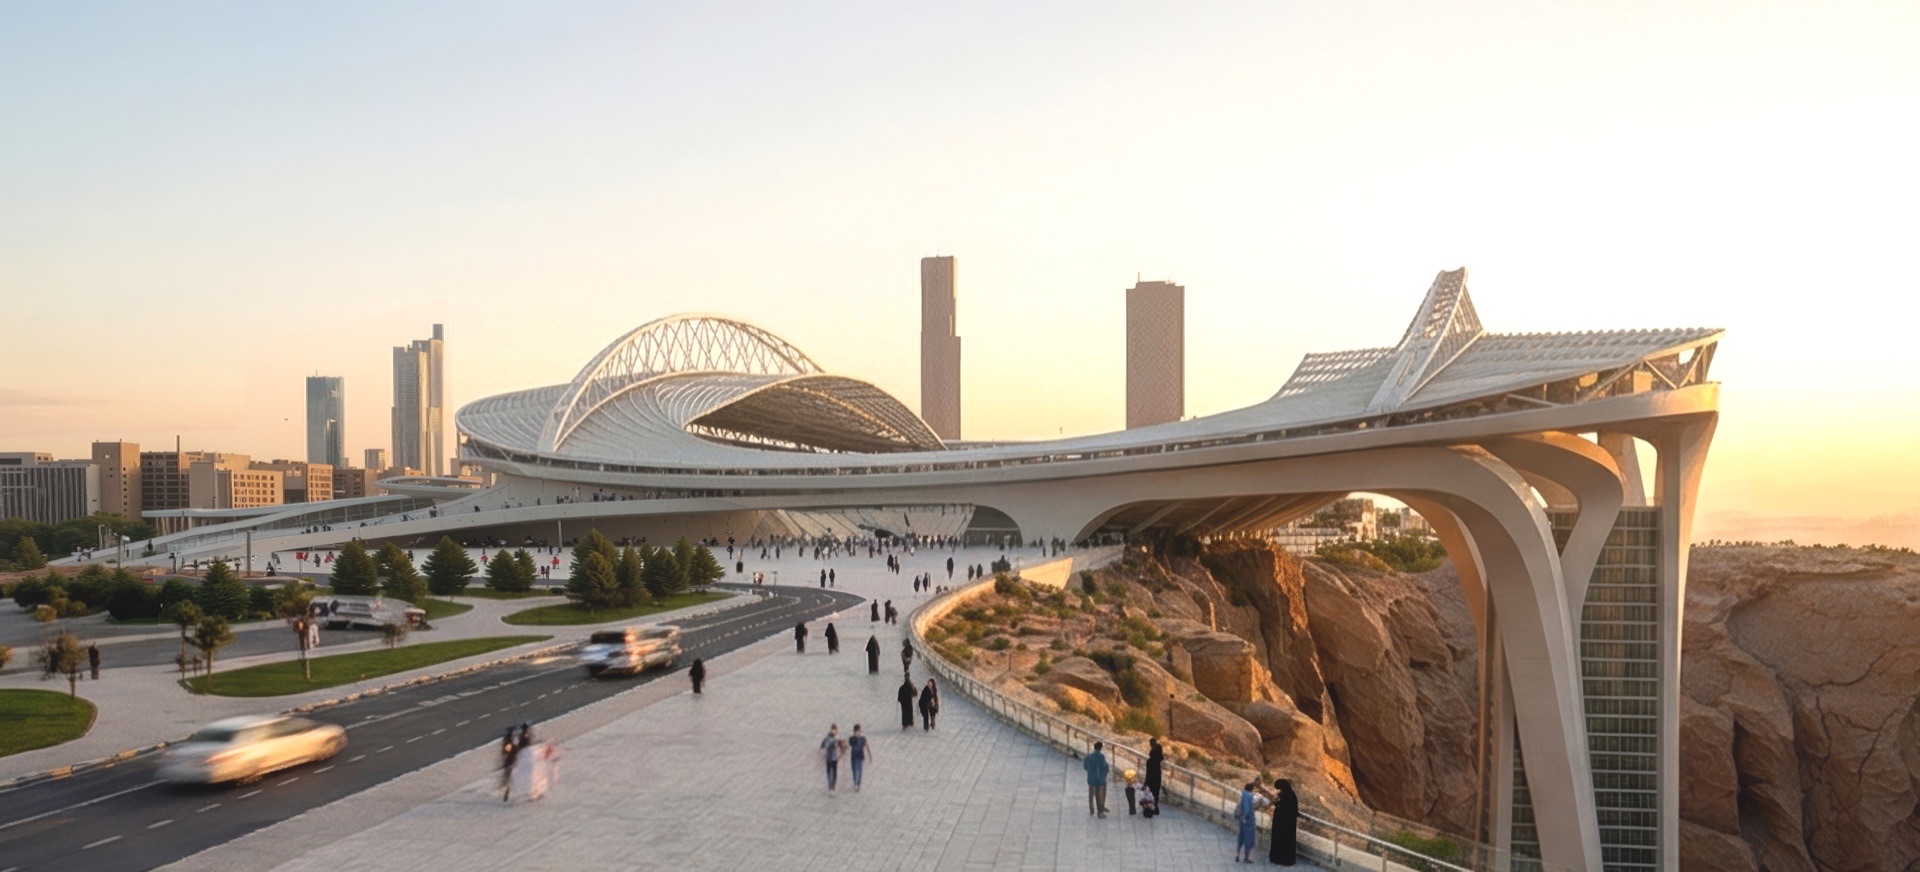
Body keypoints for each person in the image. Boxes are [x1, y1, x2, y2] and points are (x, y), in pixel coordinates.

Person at [1234, 780, 1271, 862]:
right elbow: (1267, 802)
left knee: (1241, 837)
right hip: (1248, 820)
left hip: (1241, 819)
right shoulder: (1253, 797)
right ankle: (1246, 857)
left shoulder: (1242, 794)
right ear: (1252, 789)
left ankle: (1237, 855)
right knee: (1249, 838)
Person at [1269, 778, 1298, 865]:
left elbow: (1287, 809)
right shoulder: (1286, 794)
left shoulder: (1289, 796)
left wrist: (1278, 804)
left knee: (1284, 841)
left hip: (1285, 825)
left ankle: (1282, 859)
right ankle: (1277, 858)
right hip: (1281, 824)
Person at [1084, 741, 1111, 817]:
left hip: (1091, 778)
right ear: (1100, 748)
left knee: (1091, 793)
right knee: (1100, 794)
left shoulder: (1088, 756)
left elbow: (1085, 766)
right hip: (1099, 779)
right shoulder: (1101, 756)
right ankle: (1100, 811)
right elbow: (1104, 766)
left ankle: (1091, 808)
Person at [820, 724, 844, 794]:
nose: (834, 731)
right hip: (828, 757)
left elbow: (841, 746)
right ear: (831, 730)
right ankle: (830, 787)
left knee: (834, 773)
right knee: (828, 772)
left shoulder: (837, 737)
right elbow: (823, 745)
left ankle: (833, 788)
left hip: (835, 758)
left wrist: (843, 746)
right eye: (833, 729)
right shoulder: (827, 737)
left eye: (835, 729)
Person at [847, 724, 872, 792]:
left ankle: (858, 785)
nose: (859, 732)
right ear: (855, 731)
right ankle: (855, 784)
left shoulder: (863, 738)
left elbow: (867, 747)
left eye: (860, 731)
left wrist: (870, 756)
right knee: (855, 771)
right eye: (858, 731)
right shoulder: (851, 739)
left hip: (861, 757)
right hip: (854, 757)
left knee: (860, 771)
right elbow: (847, 745)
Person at [499, 727, 519, 802]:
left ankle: (507, 793)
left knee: (510, 777)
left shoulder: (508, 742)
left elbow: (505, 752)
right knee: (510, 777)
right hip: (512, 761)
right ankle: (507, 792)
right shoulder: (513, 741)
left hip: (510, 761)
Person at [1146, 737, 1165, 807]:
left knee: (1151, 792)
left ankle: (1151, 807)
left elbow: (1148, 773)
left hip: (1151, 777)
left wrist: (1146, 782)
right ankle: (1155, 806)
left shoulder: (1150, 761)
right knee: (1156, 793)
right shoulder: (1159, 759)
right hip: (1157, 777)